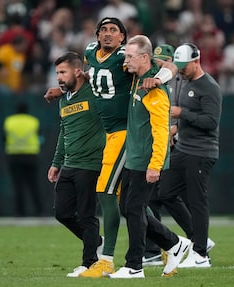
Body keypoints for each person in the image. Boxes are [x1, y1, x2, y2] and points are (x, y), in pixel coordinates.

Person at [44, 17, 178, 278]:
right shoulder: (91, 52)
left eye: (113, 30)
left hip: (124, 132)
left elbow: (169, 64)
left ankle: (106, 259)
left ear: (122, 37)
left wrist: (160, 78)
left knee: (105, 192)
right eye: (103, 29)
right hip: (109, 134)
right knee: (126, 201)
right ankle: (171, 242)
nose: (107, 34)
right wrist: (63, 89)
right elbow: (88, 77)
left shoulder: (126, 57)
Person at [108, 35, 191, 279]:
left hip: (146, 159)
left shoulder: (154, 90)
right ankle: (175, 243)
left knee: (134, 208)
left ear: (144, 58)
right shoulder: (139, 76)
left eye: (131, 57)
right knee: (127, 207)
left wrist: (155, 165)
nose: (126, 61)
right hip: (135, 156)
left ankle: (134, 266)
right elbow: (162, 65)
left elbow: (161, 131)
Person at [143, 44, 216, 267]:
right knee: (163, 192)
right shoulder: (186, 82)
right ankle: (197, 239)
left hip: (201, 150)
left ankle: (201, 253)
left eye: (184, 66)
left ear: (197, 61)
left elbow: (211, 122)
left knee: (197, 200)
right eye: (179, 67)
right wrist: (176, 128)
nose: (181, 70)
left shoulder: (208, 87)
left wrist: (182, 115)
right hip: (183, 148)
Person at [46, 52, 105, 277]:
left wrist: (88, 75)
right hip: (69, 164)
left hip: (91, 164)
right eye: (57, 73)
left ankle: (90, 262)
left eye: (63, 72)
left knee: (87, 215)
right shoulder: (64, 99)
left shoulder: (94, 92)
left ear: (78, 71)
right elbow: (64, 133)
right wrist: (56, 162)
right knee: (62, 213)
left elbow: (104, 76)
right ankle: (96, 241)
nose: (59, 77)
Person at [3, 102, 43, 217]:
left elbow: (4, 138)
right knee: (34, 185)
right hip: (31, 156)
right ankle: (39, 211)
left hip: (14, 156)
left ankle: (20, 212)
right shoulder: (33, 121)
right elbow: (40, 137)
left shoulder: (9, 121)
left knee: (18, 186)